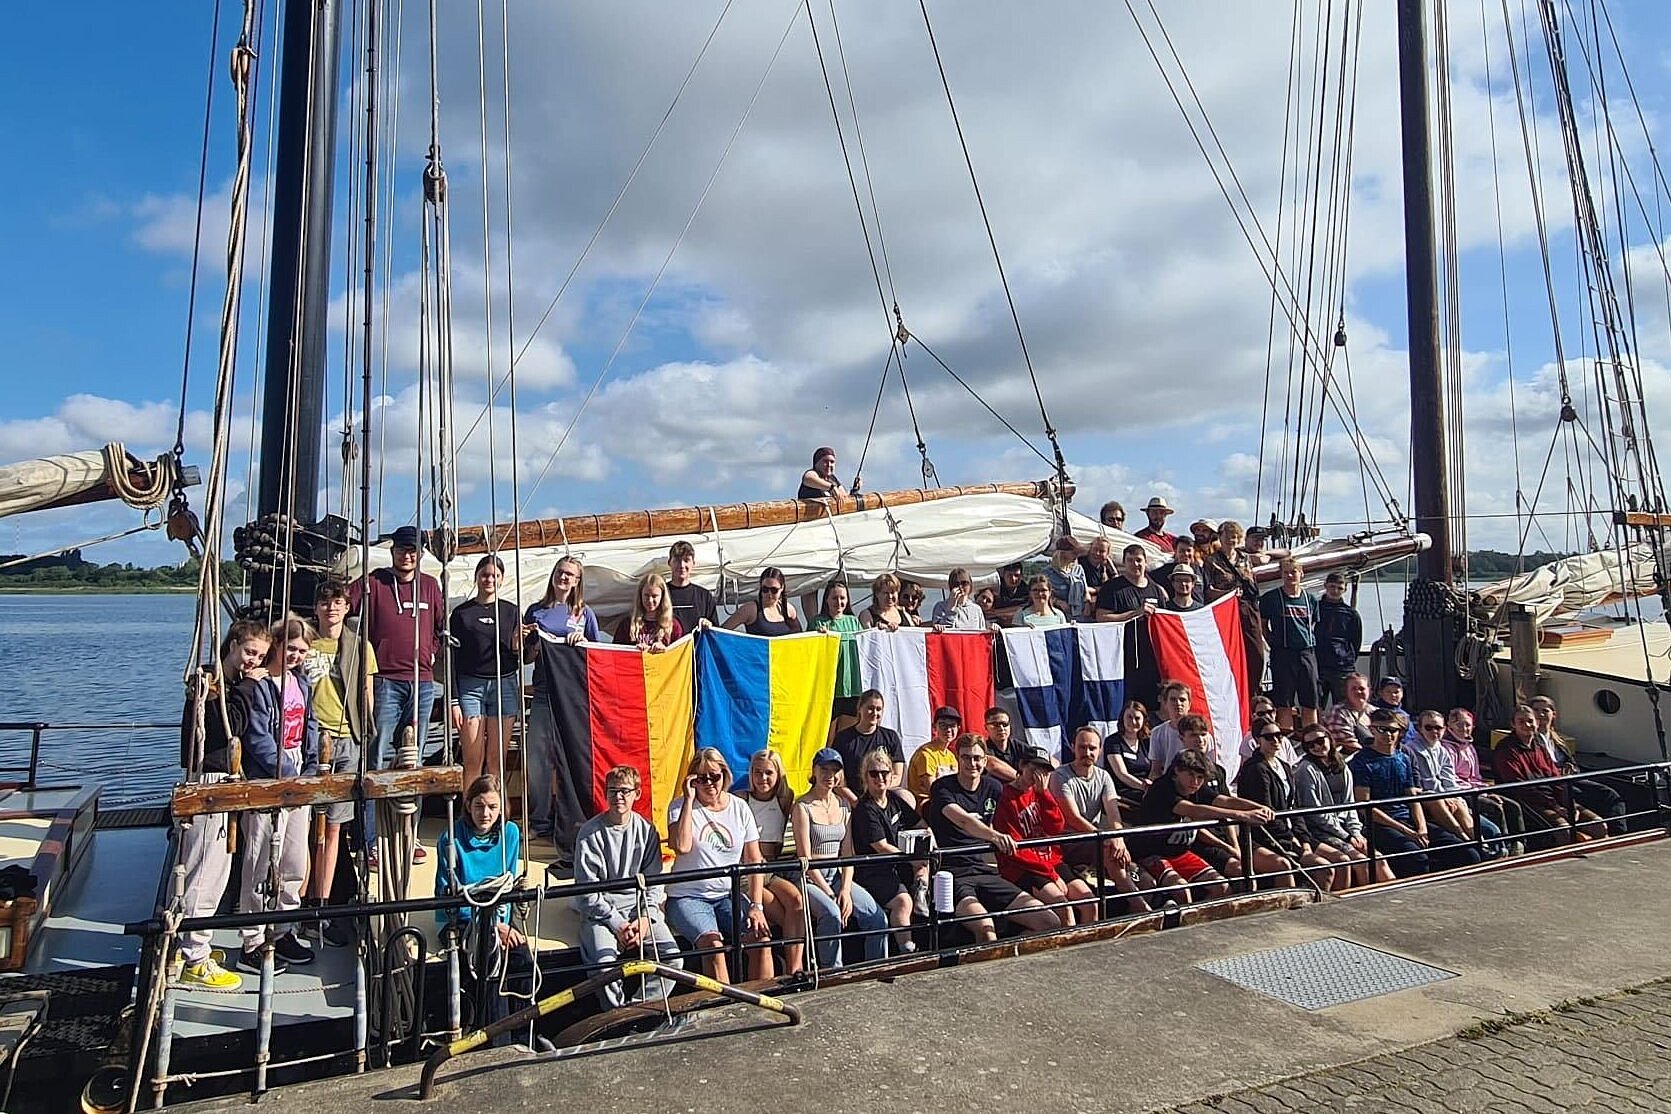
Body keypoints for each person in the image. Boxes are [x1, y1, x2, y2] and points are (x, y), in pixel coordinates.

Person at [174, 620, 270, 990]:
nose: (253, 661)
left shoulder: (221, 681)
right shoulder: (211, 683)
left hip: (221, 779)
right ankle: (195, 957)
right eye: (249, 652)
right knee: (205, 870)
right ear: (231, 645)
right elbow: (232, 726)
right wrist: (250, 685)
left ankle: (190, 944)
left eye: (259, 656)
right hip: (209, 780)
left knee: (213, 868)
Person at [349, 524, 446, 863]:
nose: (408, 555)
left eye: (413, 550)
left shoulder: (430, 586)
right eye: (402, 549)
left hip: (422, 682)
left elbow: (439, 629)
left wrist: (431, 652)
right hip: (385, 681)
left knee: (413, 761)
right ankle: (370, 839)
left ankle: (409, 835)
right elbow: (342, 605)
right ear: (393, 552)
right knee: (376, 758)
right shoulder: (374, 583)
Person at [236, 618, 322, 973]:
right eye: (291, 648)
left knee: (294, 861)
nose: (296, 656)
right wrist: (285, 772)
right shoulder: (260, 686)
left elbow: (310, 726)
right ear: (276, 645)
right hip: (268, 780)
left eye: (302, 651)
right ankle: (253, 939)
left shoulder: (301, 683)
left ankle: (284, 928)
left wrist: (310, 768)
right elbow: (257, 736)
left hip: (299, 780)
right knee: (259, 861)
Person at [923, 735, 1060, 941]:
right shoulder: (942, 787)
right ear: (957, 759)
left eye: (977, 758)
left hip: (986, 871)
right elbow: (964, 821)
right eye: (966, 757)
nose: (972, 763)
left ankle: (1010, 954)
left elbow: (1021, 810)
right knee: (986, 929)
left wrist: (1040, 790)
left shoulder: (993, 787)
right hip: (954, 874)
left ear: (985, 760)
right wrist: (996, 837)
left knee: (1049, 921)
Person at [302, 580, 376, 945]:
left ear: (347, 608)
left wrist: (366, 734)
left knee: (333, 829)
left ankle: (321, 907)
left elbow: (367, 692)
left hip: (348, 740)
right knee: (304, 828)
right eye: (324, 602)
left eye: (337, 602)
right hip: (311, 740)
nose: (331, 608)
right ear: (316, 607)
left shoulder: (360, 646)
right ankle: (297, 905)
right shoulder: (303, 642)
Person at [573, 766, 682, 1006]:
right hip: (601, 912)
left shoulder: (647, 831)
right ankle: (615, 1014)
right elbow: (587, 893)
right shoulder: (589, 833)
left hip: (638, 909)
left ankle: (639, 1008)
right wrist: (617, 923)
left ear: (637, 794)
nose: (618, 797)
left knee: (673, 958)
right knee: (603, 966)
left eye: (624, 791)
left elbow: (654, 884)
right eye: (612, 791)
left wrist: (645, 918)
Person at [666, 749, 773, 983]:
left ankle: (764, 996)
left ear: (724, 775)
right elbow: (681, 846)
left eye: (714, 776)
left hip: (726, 894)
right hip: (688, 896)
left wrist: (756, 906)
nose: (709, 783)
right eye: (701, 778)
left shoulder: (739, 807)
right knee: (714, 946)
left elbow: (754, 859)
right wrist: (688, 800)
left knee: (761, 938)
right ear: (692, 780)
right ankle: (723, 1003)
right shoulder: (678, 806)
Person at [435, 775, 531, 1025]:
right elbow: (448, 897)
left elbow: (507, 884)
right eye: (479, 806)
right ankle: (498, 1037)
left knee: (524, 960)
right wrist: (492, 926)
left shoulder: (510, 833)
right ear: (468, 806)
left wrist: (502, 924)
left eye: (492, 806)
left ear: (502, 808)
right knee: (488, 957)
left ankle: (525, 1031)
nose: (485, 813)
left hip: (498, 917)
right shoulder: (450, 839)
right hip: (461, 920)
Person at [522, 555, 601, 858]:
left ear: (578, 581)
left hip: (573, 697)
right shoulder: (536, 611)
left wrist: (582, 642)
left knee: (571, 759)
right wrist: (532, 644)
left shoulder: (585, 614)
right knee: (537, 760)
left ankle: (573, 820)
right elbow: (525, 658)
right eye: (560, 572)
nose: (564, 577)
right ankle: (540, 821)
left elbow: (596, 656)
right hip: (544, 693)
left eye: (570, 574)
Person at [1350, 708, 1481, 877]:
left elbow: (1413, 797)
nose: (1388, 734)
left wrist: (1421, 828)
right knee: (1418, 859)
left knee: (1468, 853)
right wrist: (1406, 831)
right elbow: (1364, 806)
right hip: (1381, 824)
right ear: (1372, 730)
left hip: (1409, 818)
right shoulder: (1362, 761)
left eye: (1393, 730)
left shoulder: (1404, 757)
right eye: (1382, 729)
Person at [1128, 751, 1266, 903]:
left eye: (1200, 777)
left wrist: (1259, 808)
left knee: (1221, 887)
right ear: (1177, 770)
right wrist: (1240, 815)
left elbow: (1224, 800)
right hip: (1149, 852)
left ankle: (1207, 915)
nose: (1195, 782)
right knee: (1181, 890)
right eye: (1191, 775)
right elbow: (1194, 810)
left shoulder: (1195, 788)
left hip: (1179, 852)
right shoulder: (1162, 787)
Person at [793, 750, 888, 967]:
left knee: (877, 918)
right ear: (814, 771)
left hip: (836, 873)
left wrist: (844, 890)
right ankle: (832, 973)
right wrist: (829, 893)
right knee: (832, 914)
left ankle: (876, 970)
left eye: (835, 770)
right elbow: (805, 858)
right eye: (824, 769)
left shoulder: (844, 805)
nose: (830, 775)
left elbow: (847, 854)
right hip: (809, 877)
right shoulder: (802, 807)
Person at [1235, 721, 1346, 890]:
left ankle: (1337, 902)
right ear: (1257, 740)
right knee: (1324, 869)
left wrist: (1304, 838)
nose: (1275, 741)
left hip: (1292, 833)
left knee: (1342, 862)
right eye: (1269, 737)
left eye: (1279, 736)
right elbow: (1266, 811)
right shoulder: (1255, 769)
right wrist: (1292, 839)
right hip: (1269, 836)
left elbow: (1295, 806)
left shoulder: (1284, 766)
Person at [993, 746, 1097, 926]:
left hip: (1050, 860)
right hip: (1024, 867)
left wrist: (1045, 795)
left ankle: (1087, 940)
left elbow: (1056, 828)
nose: (1039, 776)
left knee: (1090, 903)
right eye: (1034, 770)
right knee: (1064, 908)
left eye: (1044, 772)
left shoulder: (1040, 793)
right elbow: (1015, 848)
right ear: (1022, 766)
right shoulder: (1005, 797)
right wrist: (1051, 875)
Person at [1048, 728, 1148, 912]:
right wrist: (1108, 840)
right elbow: (1073, 818)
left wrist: (1118, 838)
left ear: (1100, 750)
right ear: (1073, 747)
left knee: (1141, 874)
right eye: (1082, 747)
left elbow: (1114, 814)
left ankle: (1139, 908)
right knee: (1111, 851)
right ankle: (1142, 909)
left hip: (1096, 839)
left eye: (1092, 748)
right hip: (1069, 841)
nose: (1087, 752)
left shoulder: (1103, 776)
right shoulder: (1060, 776)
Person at [450, 555, 521, 785]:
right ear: (477, 577)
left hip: (504, 685)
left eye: (495, 576)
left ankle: (498, 805)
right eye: (485, 575)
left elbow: (519, 654)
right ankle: (470, 805)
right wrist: (453, 700)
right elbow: (452, 659)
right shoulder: (461, 614)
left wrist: (519, 645)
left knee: (496, 761)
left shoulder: (511, 612)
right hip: (470, 687)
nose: (489, 580)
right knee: (473, 760)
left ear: (501, 579)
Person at [1492, 704, 1608, 845]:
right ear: (1513, 724)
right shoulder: (1506, 749)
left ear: (1537, 723)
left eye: (1530, 721)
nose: (1527, 725)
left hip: (1552, 799)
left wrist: (1569, 805)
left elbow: (1556, 778)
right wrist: (1555, 807)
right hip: (1528, 800)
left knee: (1599, 826)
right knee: (1564, 831)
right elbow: (1519, 786)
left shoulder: (1539, 746)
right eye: (1521, 722)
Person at [851, 749, 930, 954]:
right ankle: (907, 950)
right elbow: (881, 846)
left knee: (927, 866)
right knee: (902, 902)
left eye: (884, 772)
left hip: (899, 865)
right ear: (865, 776)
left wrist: (929, 843)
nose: (880, 777)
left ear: (891, 775)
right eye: (874, 773)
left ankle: (921, 892)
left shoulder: (894, 799)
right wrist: (911, 859)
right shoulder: (865, 808)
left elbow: (920, 823)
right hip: (874, 871)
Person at [1292, 725, 1389, 886]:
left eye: (1320, 741)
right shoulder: (1306, 769)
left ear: (1329, 739)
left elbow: (1350, 805)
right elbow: (1316, 814)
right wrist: (1346, 836)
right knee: (1360, 861)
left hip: (1345, 828)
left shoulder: (1341, 765)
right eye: (1310, 745)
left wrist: (1355, 832)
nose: (1317, 747)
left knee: (1379, 859)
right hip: (1321, 832)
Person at [741, 750, 805, 976]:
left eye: (768, 772)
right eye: (757, 773)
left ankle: (796, 967)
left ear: (778, 774)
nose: (763, 778)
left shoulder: (785, 799)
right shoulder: (742, 799)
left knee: (797, 901)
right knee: (779, 913)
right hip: (749, 871)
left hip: (771, 868)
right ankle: (781, 962)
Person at [1406, 710, 1503, 858]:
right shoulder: (1414, 749)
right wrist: (1446, 796)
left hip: (1445, 793)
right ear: (1420, 728)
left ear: (1444, 729)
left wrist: (1453, 796)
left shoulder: (1441, 750)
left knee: (1460, 803)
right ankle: (1467, 839)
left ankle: (1481, 843)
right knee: (1440, 801)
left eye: (1438, 728)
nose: (1434, 731)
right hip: (1425, 797)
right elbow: (1428, 781)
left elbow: (1449, 779)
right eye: (1429, 727)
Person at [1529, 695, 1626, 834]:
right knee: (1599, 795)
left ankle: (1619, 833)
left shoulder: (1558, 739)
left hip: (1572, 778)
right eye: (1536, 710)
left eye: (1545, 711)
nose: (1541, 714)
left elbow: (1572, 762)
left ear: (1553, 714)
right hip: (1556, 784)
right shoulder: (1530, 740)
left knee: (1613, 793)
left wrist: (1571, 767)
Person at [1095, 543, 1170, 710]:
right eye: (1130, 560)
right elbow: (1101, 618)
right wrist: (1134, 614)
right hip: (1124, 658)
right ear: (1124, 563)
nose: (1135, 564)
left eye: (1138, 560)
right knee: (1128, 706)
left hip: (1152, 659)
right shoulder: (1112, 588)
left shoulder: (1156, 590)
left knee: (1152, 706)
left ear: (1145, 562)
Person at [1440, 707, 1525, 854]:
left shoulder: (1470, 747)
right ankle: (1502, 846)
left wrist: (1486, 790)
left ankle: (1519, 843)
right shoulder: (1446, 748)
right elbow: (1451, 778)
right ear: (1450, 725)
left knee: (1513, 806)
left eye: (1467, 725)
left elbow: (1476, 776)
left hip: (1476, 789)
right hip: (1462, 793)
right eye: (1459, 725)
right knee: (1495, 808)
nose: (1464, 729)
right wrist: (1479, 792)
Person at [1260, 556, 1322, 732]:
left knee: (1310, 701)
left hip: (1306, 653)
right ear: (1281, 575)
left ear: (1301, 573)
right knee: (1284, 701)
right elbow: (1263, 625)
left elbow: (1312, 625)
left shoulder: (1311, 600)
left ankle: (1312, 736)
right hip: (1283, 654)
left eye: (1293, 572)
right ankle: (1286, 735)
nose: (1289, 576)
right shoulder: (1271, 598)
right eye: (1285, 572)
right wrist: (1273, 641)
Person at [1208, 520, 1267, 700]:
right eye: (1227, 536)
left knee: (1256, 653)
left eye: (1235, 537)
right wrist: (1228, 594)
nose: (1231, 540)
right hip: (1225, 610)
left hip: (1248, 608)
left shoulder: (1245, 558)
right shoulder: (1212, 561)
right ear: (1220, 537)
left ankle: (1253, 693)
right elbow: (1208, 591)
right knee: (1230, 653)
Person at [811, 583, 864, 740]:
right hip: (829, 686)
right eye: (834, 598)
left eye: (842, 598)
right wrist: (819, 636)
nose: (839, 602)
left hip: (853, 686)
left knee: (848, 734)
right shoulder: (817, 622)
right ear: (826, 600)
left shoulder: (854, 621)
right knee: (827, 734)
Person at [832, 690, 905, 785]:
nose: (875, 713)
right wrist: (851, 795)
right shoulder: (843, 738)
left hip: (885, 790)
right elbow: (837, 776)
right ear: (859, 708)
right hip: (851, 793)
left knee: (904, 794)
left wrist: (881, 790)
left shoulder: (891, 737)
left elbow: (897, 775)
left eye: (878, 709)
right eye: (870, 708)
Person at [1315, 573, 1363, 705]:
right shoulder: (1315, 609)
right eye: (1332, 586)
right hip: (1319, 665)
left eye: (1339, 588)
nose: (1335, 591)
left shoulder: (1351, 614)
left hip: (1342, 667)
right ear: (1325, 586)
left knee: (1343, 706)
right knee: (1315, 705)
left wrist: (1348, 659)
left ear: (1345, 590)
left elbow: (1356, 641)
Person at [612, 572, 684, 651]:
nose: (650, 600)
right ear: (640, 595)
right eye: (646, 595)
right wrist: (635, 650)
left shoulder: (673, 626)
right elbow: (615, 653)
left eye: (654, 596)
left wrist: (664, 651)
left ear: (662, 597)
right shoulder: (627, 624)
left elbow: (680, 654)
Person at [722, 567, 801, 636]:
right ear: (760, 587)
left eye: (774, 590)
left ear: (782, 588)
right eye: (765, 589)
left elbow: (800, 636)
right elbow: (721, 632)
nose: (769, 594)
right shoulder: (750, 609)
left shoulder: (789, 609)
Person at [906, 706, 963, 801]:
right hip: (927, 803)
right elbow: (932, 789)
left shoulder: (951, 757)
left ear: (958, 728)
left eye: (952, 725)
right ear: (934, 727)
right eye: (943, 725)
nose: (948, 730)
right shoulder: (926, 754)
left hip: (948, 800)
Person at [1102, 700, 1153, 804]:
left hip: (1146, 788)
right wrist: (1144, 787)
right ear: (1122, 718)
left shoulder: (1147, 742)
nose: (1133, 722)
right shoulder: (1113, 741)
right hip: (1122, 791)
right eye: (1129, 717)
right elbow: (1121, 774)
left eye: (1137, 718)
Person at [1145, 684, 1199, 780]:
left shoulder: (1202, 734)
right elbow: (1155, 770)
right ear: (1165, 703)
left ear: (1189, 704)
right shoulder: (1157, 733)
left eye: (1182, 700)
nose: (1178, 703)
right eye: (1173, 699)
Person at [665, 540, 719, 634]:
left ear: (693, 563)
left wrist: (708, 625)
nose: (682, 565)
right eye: (677, 560)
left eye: (686, 560)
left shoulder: (704, 596)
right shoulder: (660, 593)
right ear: (670, 563)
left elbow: (716, 631)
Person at [1322, 672, 1375, 756]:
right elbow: (1351, 746)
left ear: (1369, 691)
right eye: (1354, 689)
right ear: (1346, 692)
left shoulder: (1375, 711)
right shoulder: (1338, 712)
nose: (1358, 691)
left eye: (1362, 688)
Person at [1042, 537, 1088, 620]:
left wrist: (1087, 604)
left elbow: (1085, 591)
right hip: (1058, 616)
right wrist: (1057, 602)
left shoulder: (1079, 569)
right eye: (1074, 553)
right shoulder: (1047, 573)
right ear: (1062, 553)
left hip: (1080, 614)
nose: (1076, 556)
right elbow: (1041, 594)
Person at [980, 706, 1025, 784]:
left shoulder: (1018, 746)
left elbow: (1041, 756)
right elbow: (992, 765)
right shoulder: (983, 748)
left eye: (1005, 724)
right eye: (995, 724)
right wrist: (1022, 780)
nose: (1001, 728)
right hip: (994, 790)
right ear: (986, 727)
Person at [1154, 539, 1205, 606]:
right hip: (1174, 610)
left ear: (1193, 552)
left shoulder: (1200, 570)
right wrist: (1160, 589)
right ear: (1176, 551)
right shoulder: (1165, 570)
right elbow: (1148, 577)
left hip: (1199, 609)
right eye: (1182, 551)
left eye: (1189, 550)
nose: (1186, 554)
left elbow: (1209, 590)